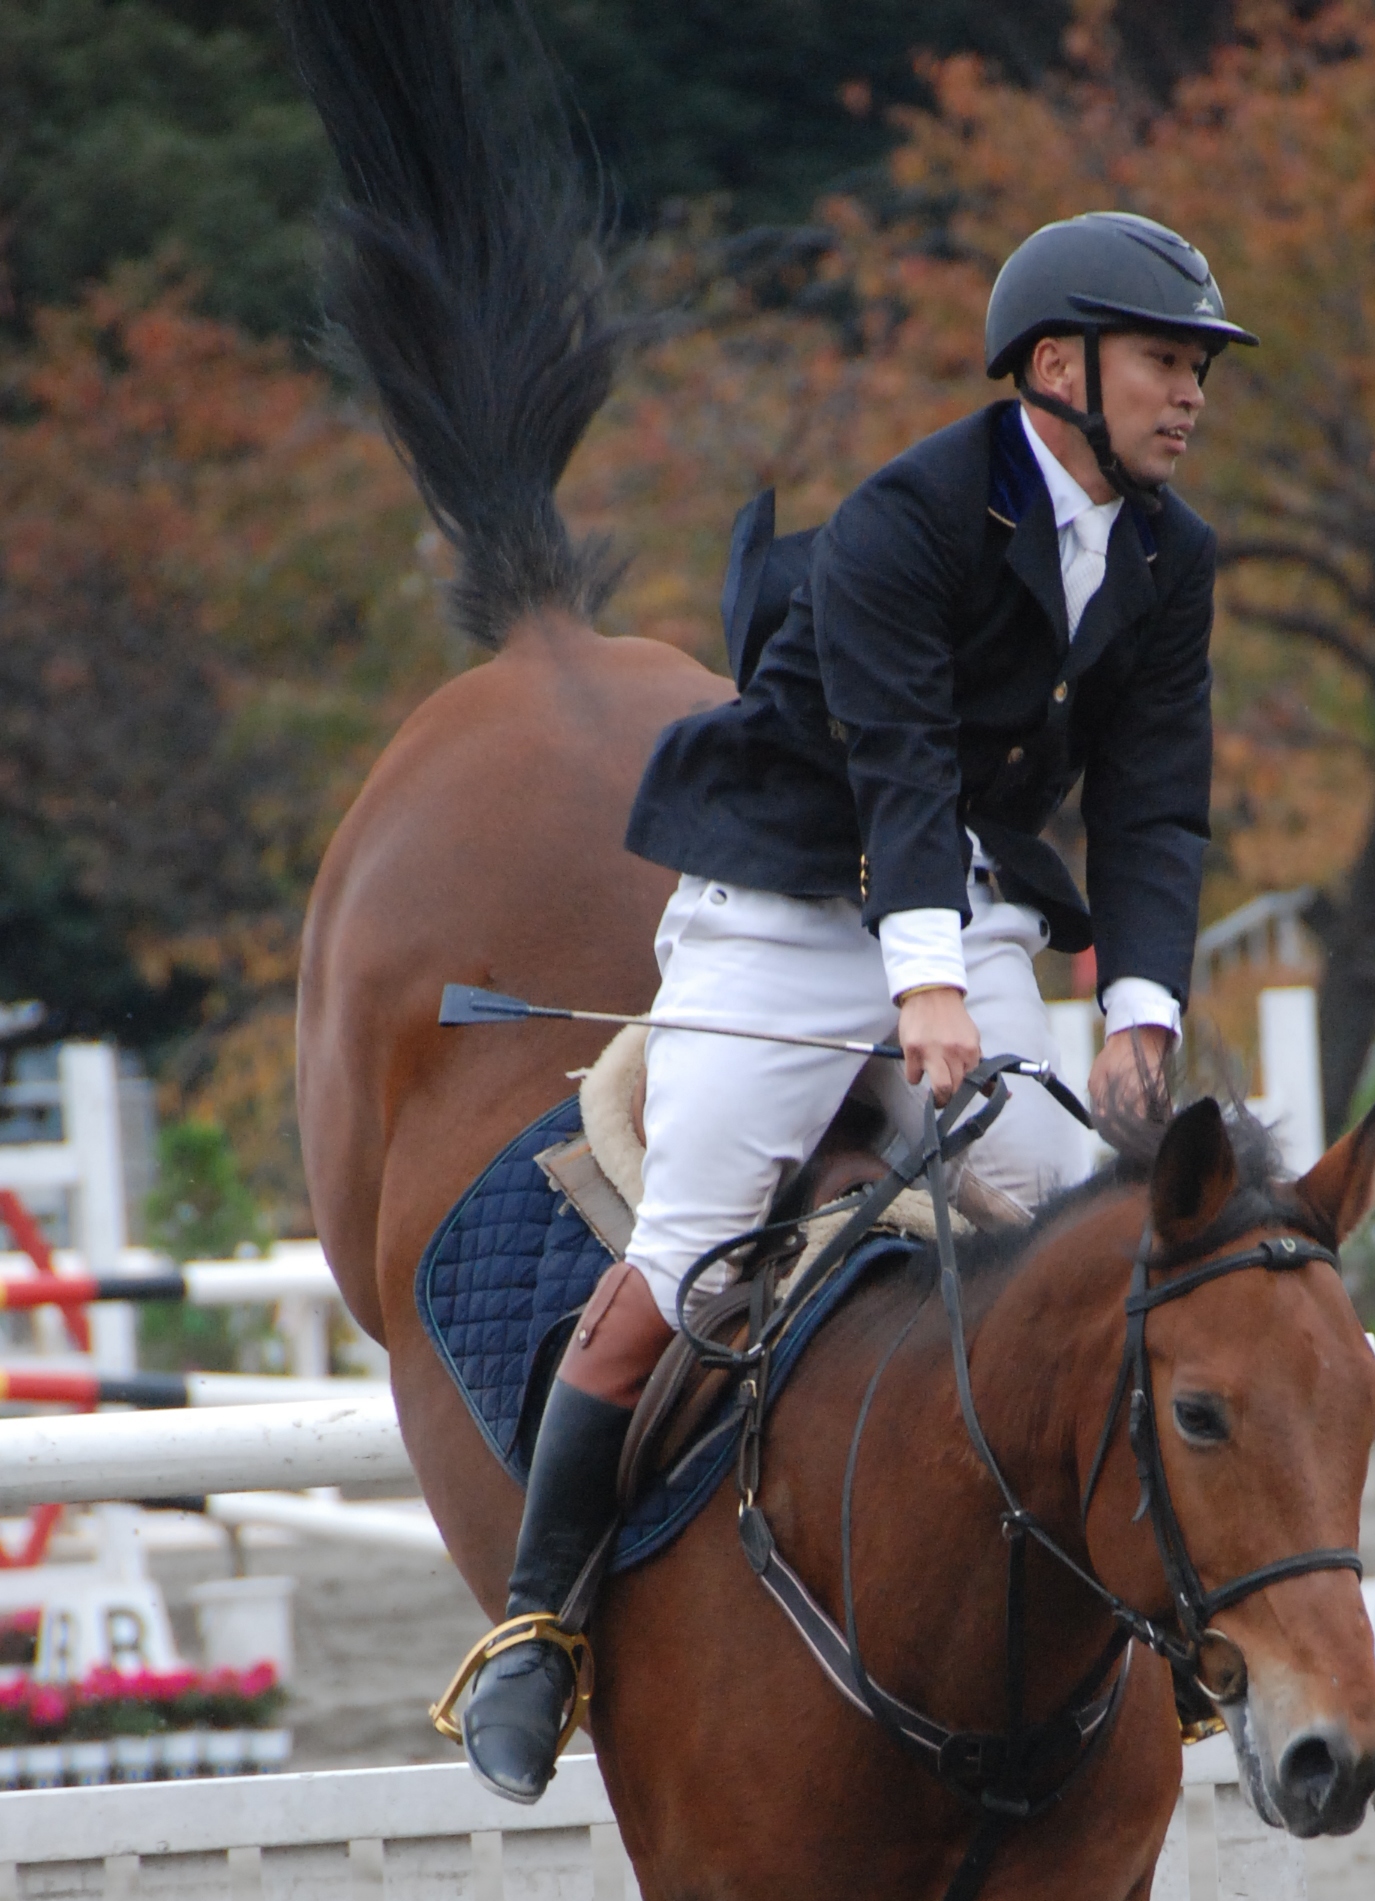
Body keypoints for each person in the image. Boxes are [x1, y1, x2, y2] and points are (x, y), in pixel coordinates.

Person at [457, 210, 1257, 1801]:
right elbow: (896, 761)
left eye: (1197, 369)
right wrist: (929, 997)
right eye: (1169, 361)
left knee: (1078, 1230)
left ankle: (1155, 1614)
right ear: (1058, 366)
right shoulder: (914, 513)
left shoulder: (1173, 558)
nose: (1192, 395)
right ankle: (538, 1633)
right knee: (690, 1245)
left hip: (961, 890)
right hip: (788, 903)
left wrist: (1141, 1016)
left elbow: (1158, 805)